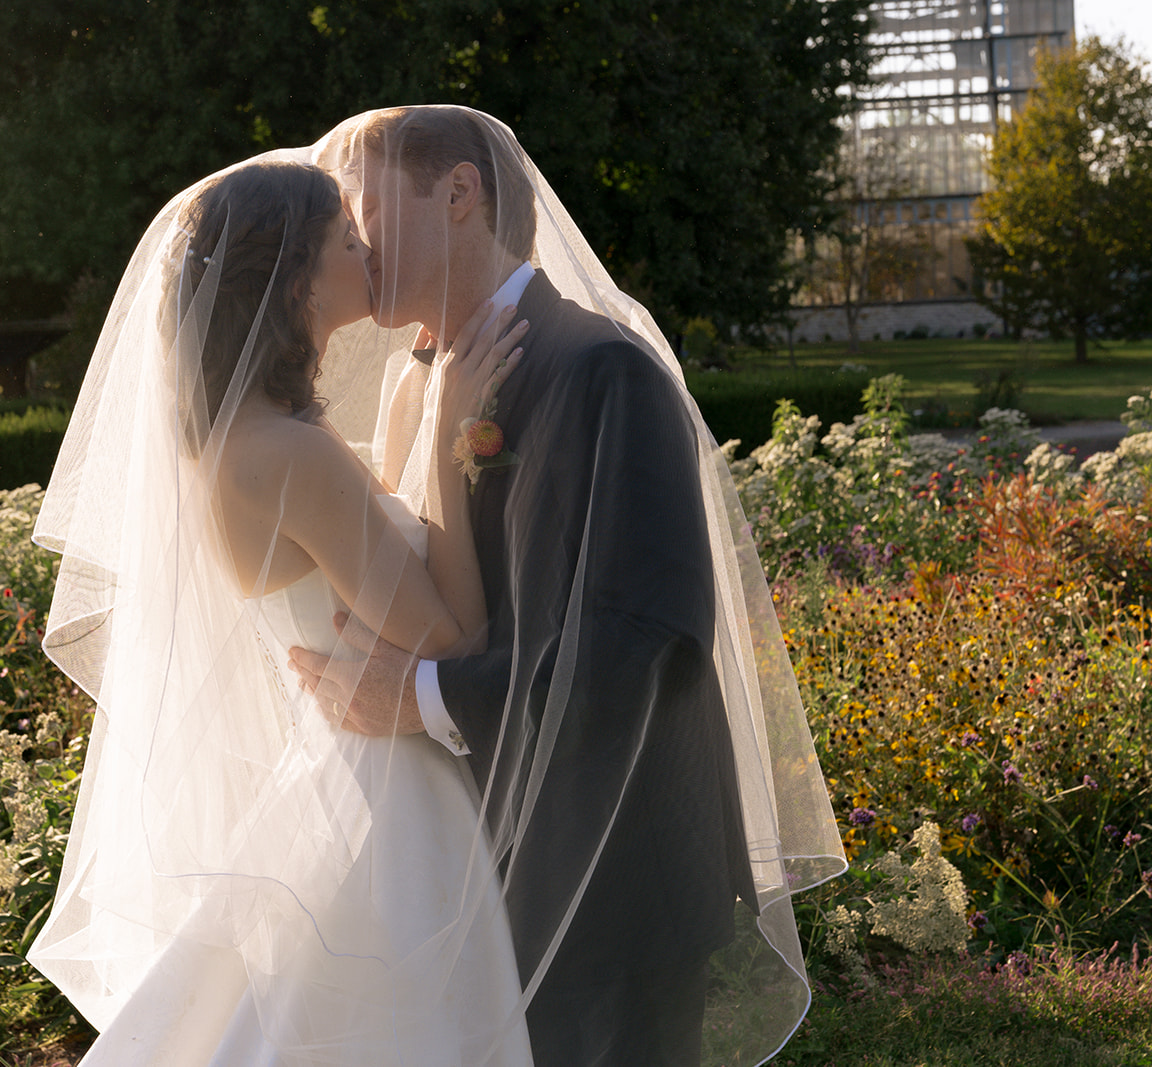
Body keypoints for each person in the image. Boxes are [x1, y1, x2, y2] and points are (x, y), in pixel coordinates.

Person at [287, 106, 848, 1066]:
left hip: (603, 870)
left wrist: (416, 698)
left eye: (361, 201)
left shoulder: (601, 368)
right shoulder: (417, 383)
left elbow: (647, 639)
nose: (345, 232)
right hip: (475, 857)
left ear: (457, 191)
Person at [27, 158, 538, 1063]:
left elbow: (365, 553)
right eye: (348, 240)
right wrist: (460, 436)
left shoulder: (249, 436)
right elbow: (451, 635)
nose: (369, 252)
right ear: (293, 275)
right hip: (391, 801)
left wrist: (411, 413)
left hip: (340, 777)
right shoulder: (291, 453)